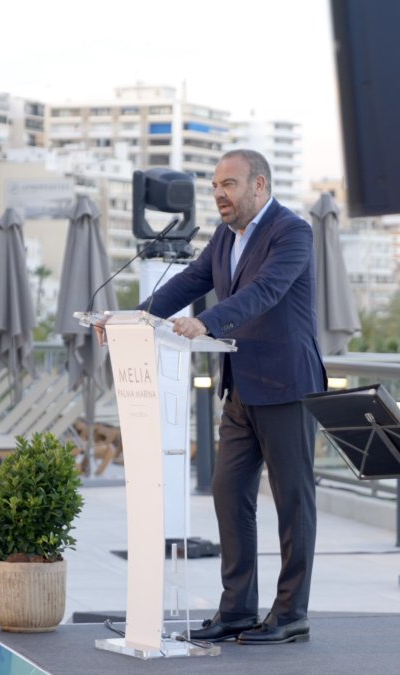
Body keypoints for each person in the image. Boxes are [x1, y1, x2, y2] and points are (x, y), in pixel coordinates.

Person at [137, 149, 326, 645]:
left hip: (288, 386)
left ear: (259, 185)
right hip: (240, 388)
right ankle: (239, 610)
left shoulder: (292, 232)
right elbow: (190, 281)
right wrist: (135, 318)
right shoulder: (224, 236)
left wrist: (208, 320)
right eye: (216, 185)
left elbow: (265, 291)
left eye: (230, 184)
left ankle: (290, 614)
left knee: (293, 502)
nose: (219, 194)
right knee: (228, 494)